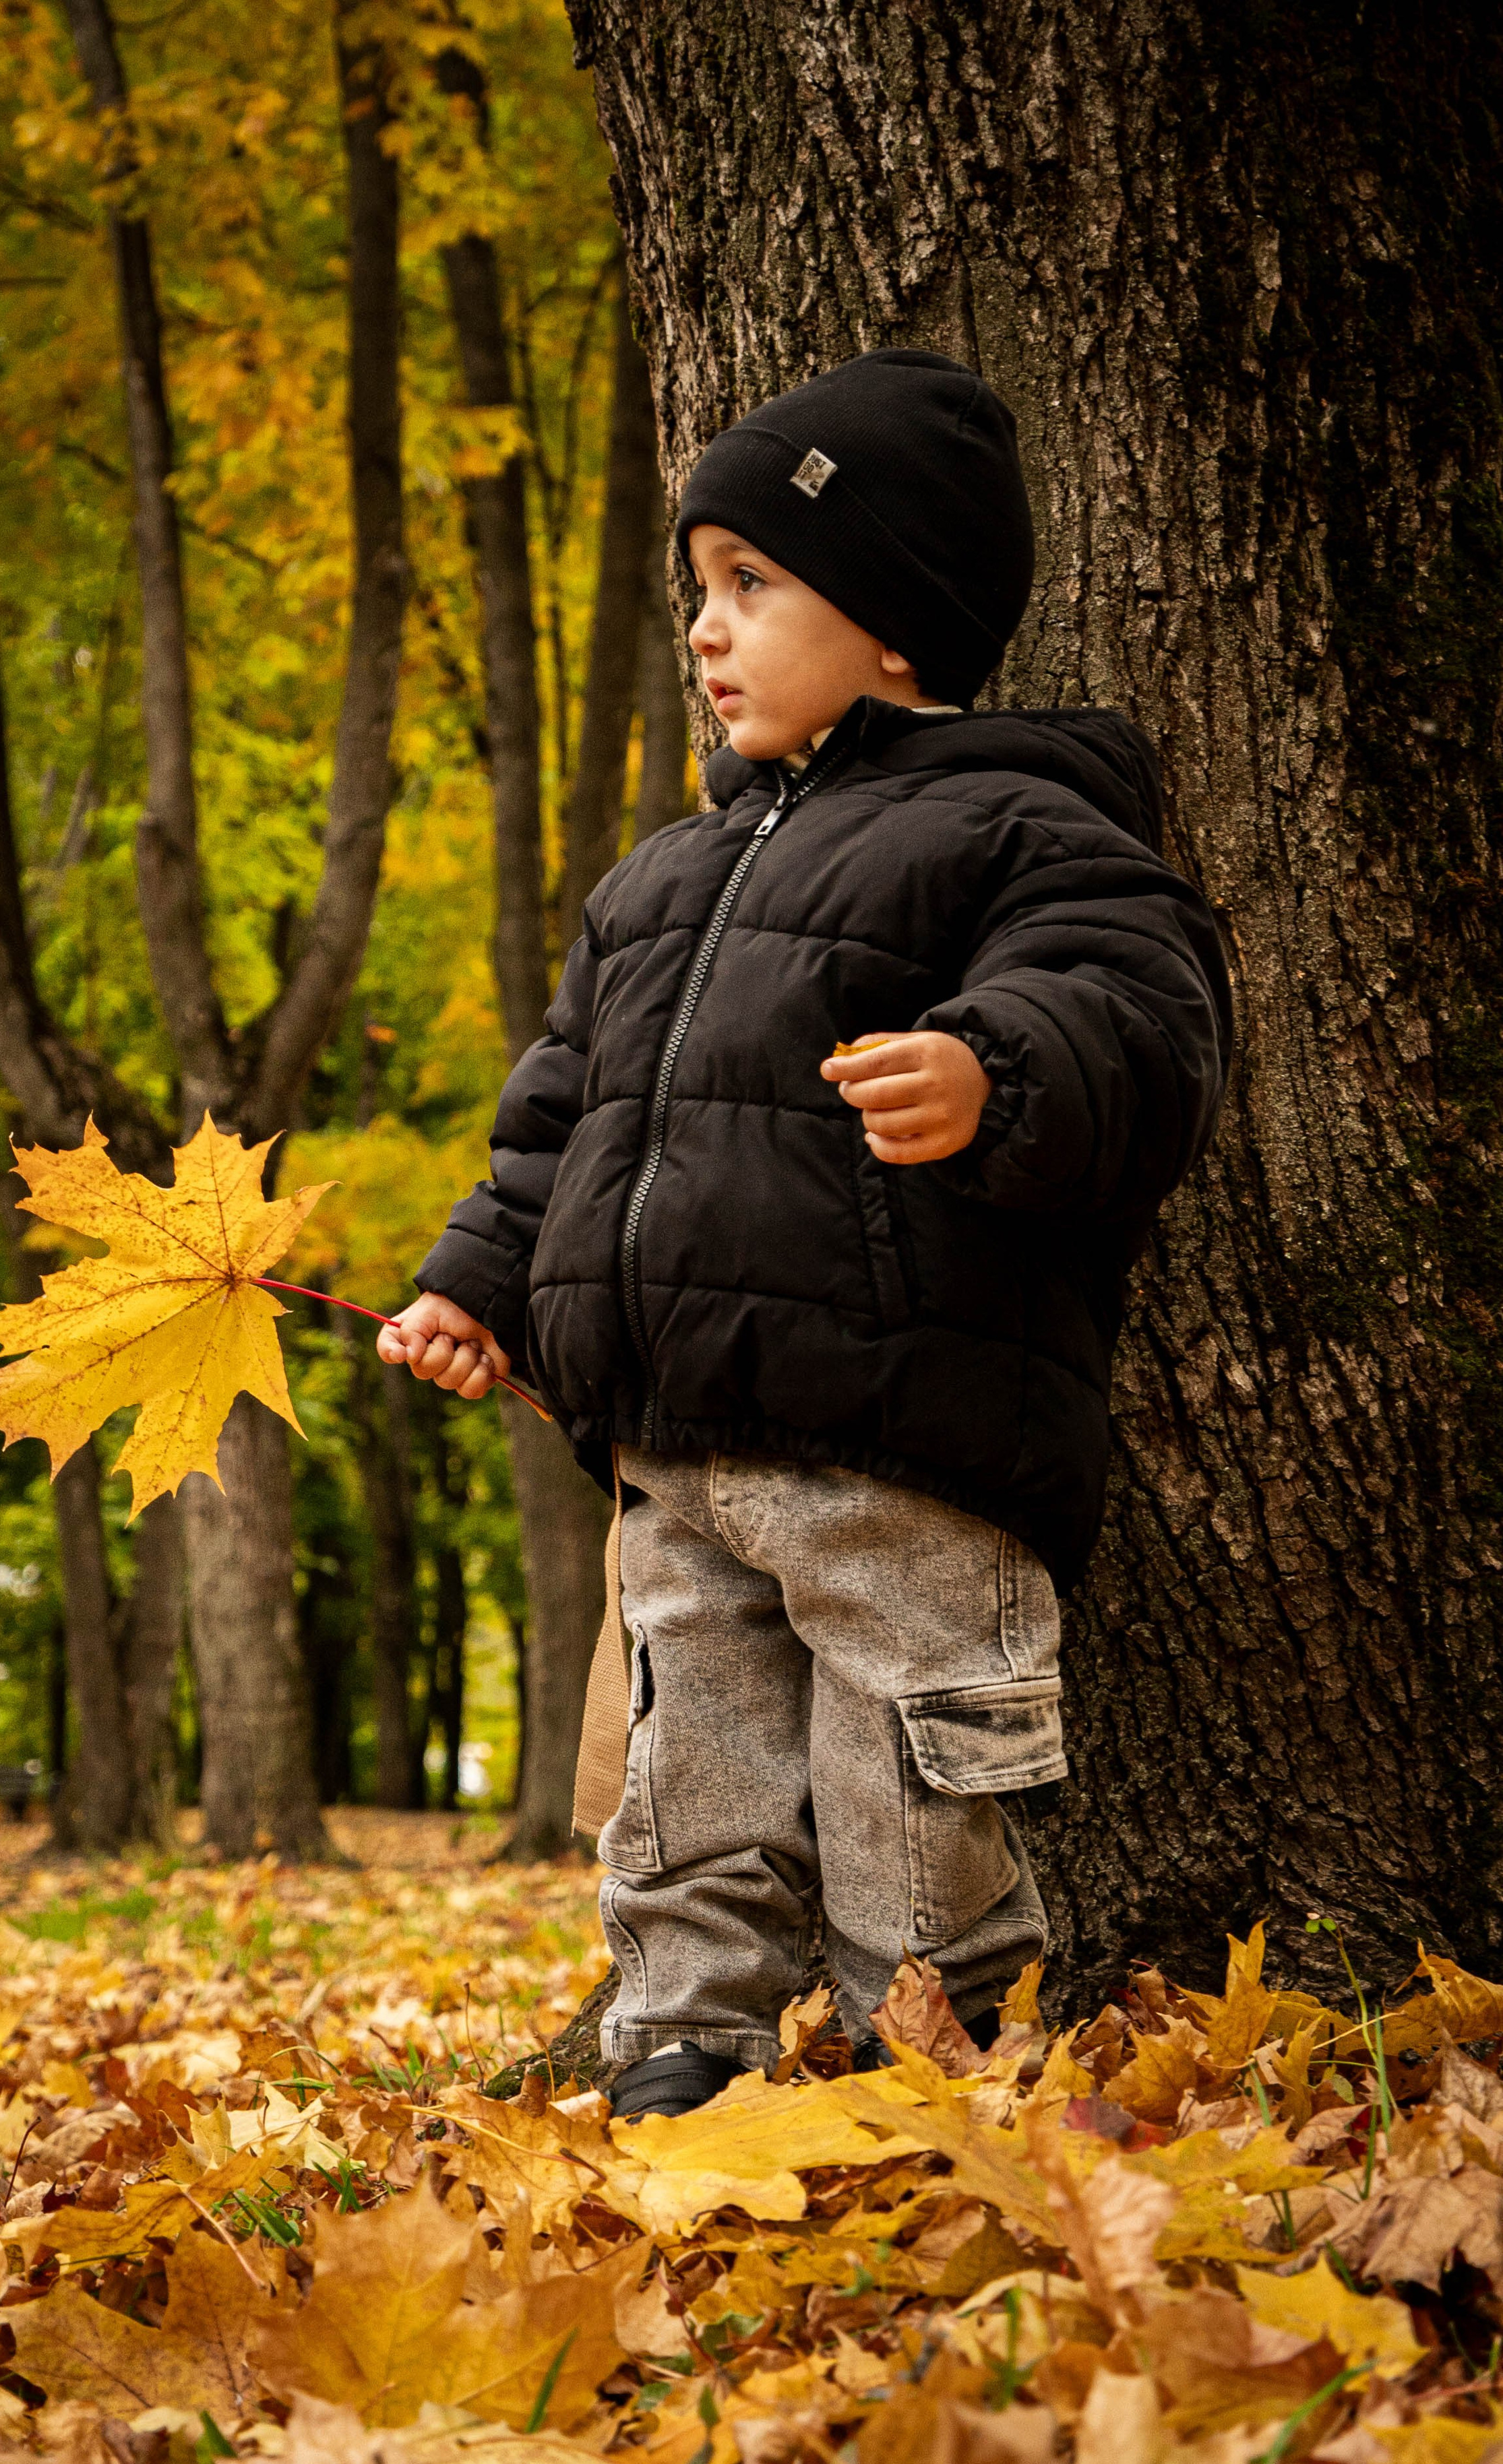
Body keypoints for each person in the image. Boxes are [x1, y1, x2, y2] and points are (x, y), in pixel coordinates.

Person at [377, 348, 1231, 2120]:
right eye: (700, 588)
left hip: (904, 1459)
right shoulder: (663, 885)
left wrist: (992, 1069)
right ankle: (681, 2063)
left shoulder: (1021, 821)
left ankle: (941, 2079)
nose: (707, 627)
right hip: (680, 1459)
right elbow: (558, 1126)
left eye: (753, 584)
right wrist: (479, 1290)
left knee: (906, 1792)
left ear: (899, 623)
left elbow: (1138, 1015)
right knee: (689, 1778)